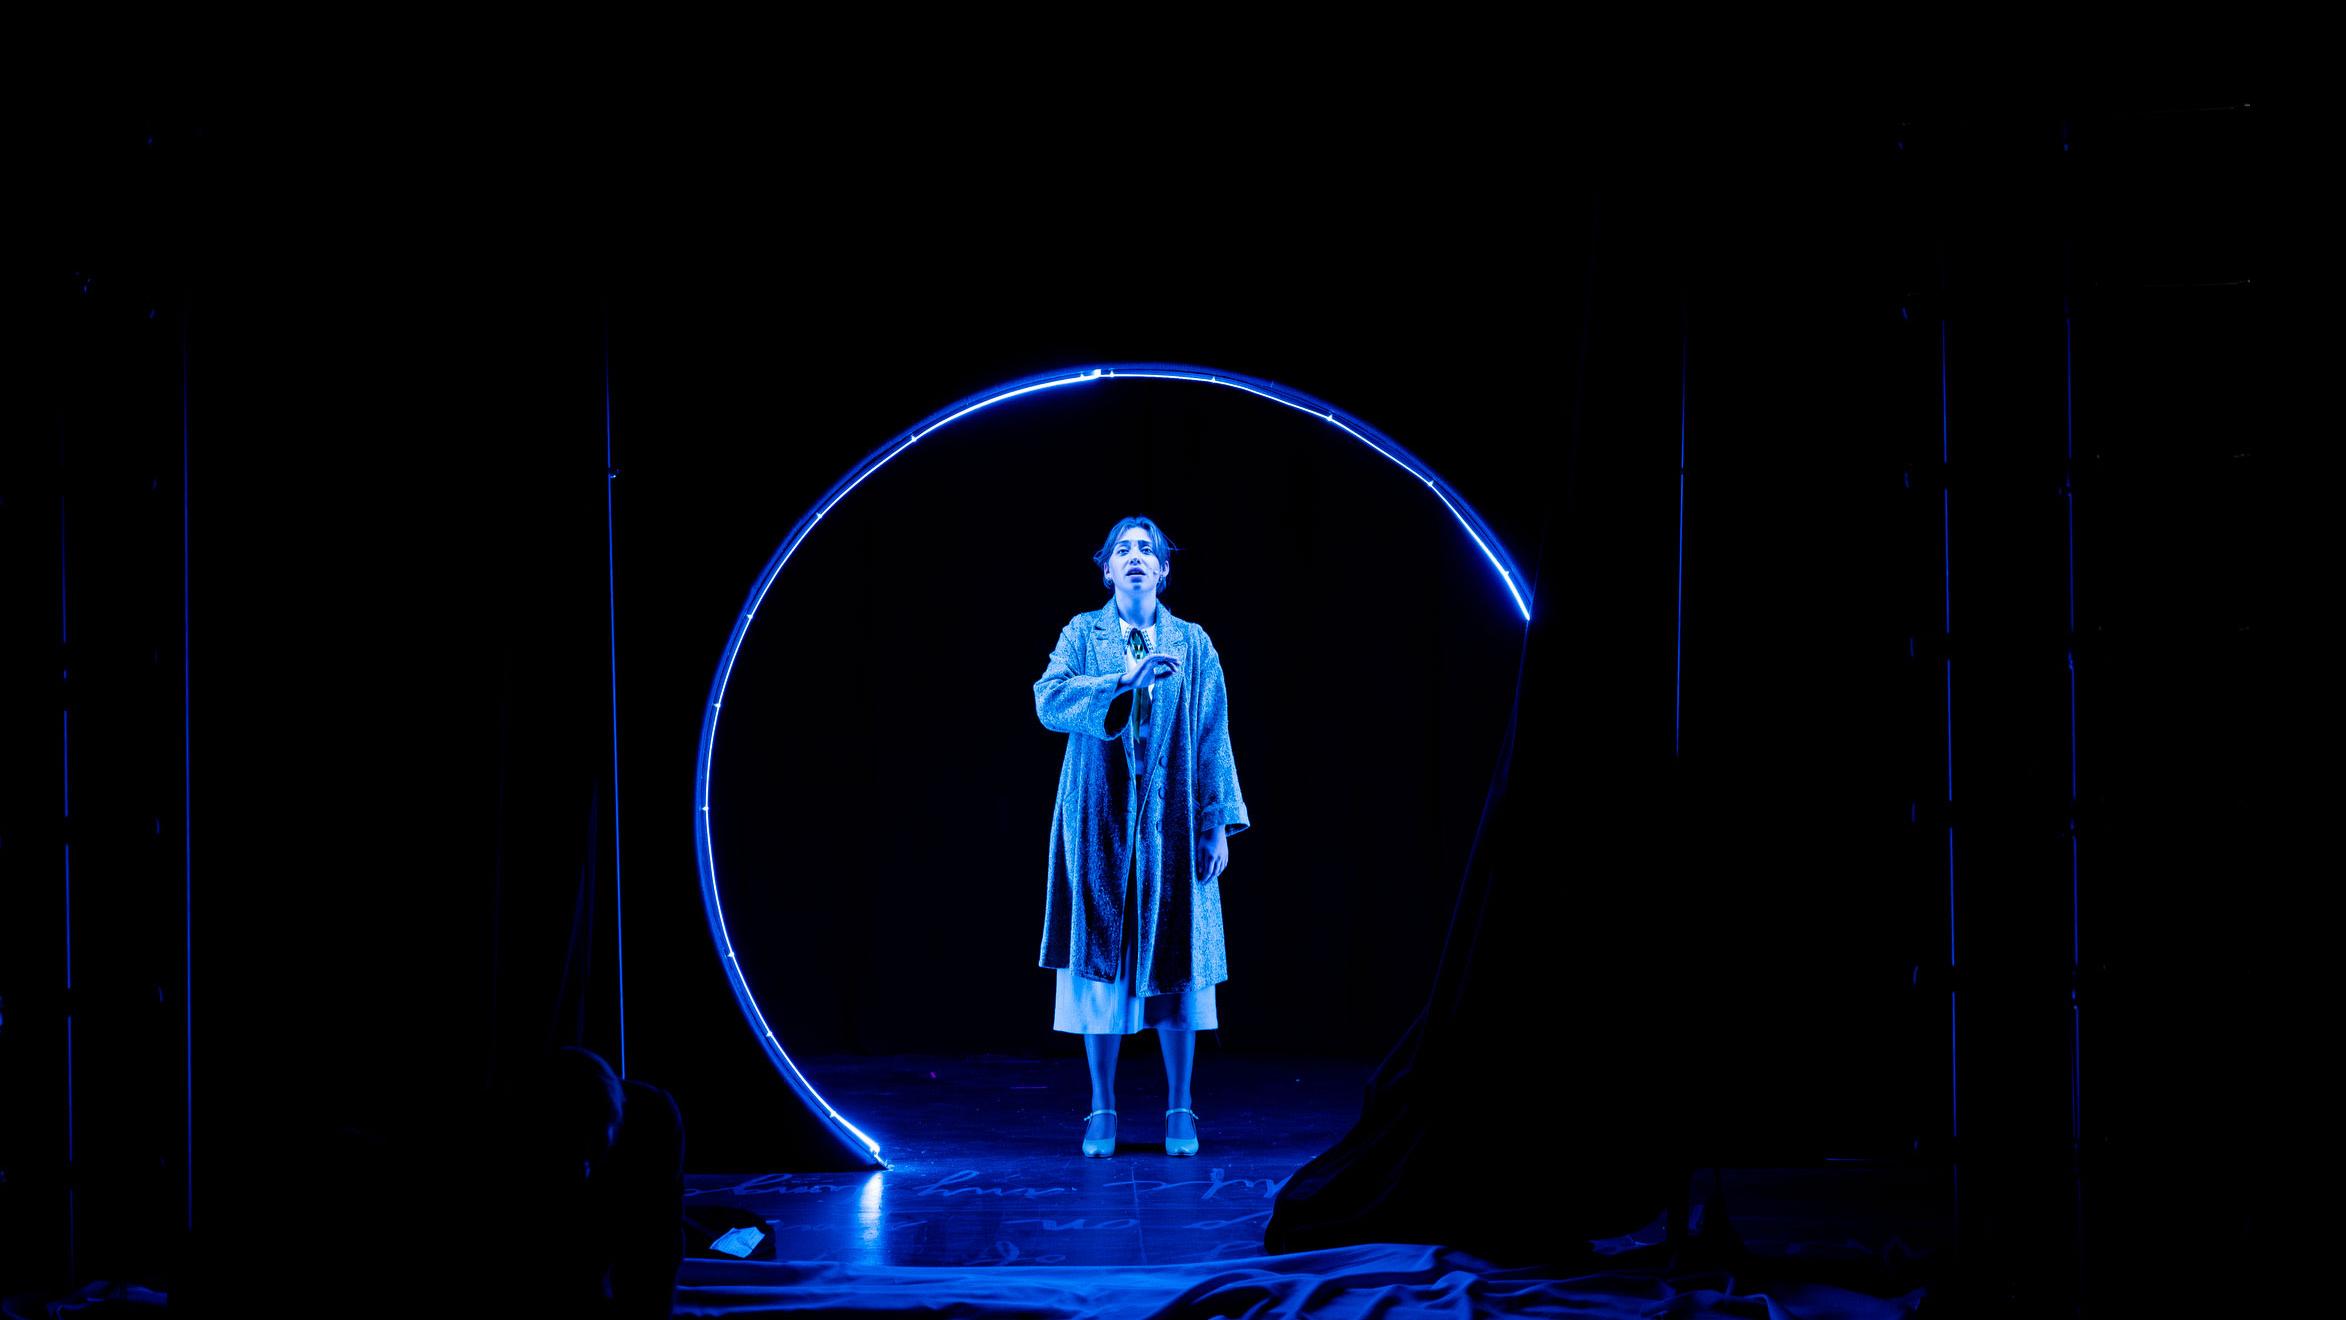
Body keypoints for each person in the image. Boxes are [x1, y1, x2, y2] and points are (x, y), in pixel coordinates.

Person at [1034, 515, 1249, 1158]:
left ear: (1162, 570)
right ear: (1107, 569)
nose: (1135, 558)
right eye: (1122, 550)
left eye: (1146, 550)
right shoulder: (1083, 633)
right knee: (1099, 971)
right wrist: (1122, 682)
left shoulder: (1192, 642)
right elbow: (1048, 701)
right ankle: (1102, 1108)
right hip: (1097, 820)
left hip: (1172, 826)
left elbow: (1213, 735)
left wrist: (1215, 824)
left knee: (1179, 964)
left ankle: (1180, 1107)